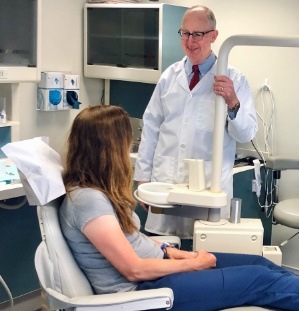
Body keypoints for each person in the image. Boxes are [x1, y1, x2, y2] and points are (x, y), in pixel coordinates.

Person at [59, 105, 299, 311]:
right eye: (126, 143)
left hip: (159, 270)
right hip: (145, 291)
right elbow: (133, 270)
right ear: (109, 150)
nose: (128, 150)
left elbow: (130, 240)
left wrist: (168, 249)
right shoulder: (88, 200)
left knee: (258, 264)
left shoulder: (96, 192)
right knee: (260, 279)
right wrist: (194, 263)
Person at [133, 5, 258, 239]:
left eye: (198, 34)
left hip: (207, 189)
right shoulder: (169, 77)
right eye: (185, 33)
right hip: (165, 184)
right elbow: (150, 129)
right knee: (164, 254)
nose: (190, 41)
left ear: (213, 36)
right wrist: (143, 179)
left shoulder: (234, 79)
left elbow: (247, 133)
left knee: (203, 253)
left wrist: (232, 101)